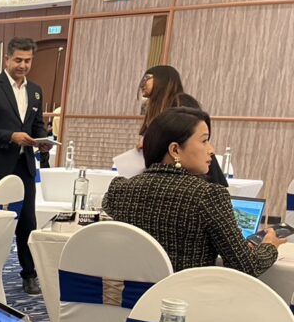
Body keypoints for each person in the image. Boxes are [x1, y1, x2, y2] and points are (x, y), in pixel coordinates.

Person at [103, 107, 281, 276]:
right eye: (204, 141)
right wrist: (270, 246)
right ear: (175, 150)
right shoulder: (207, 195)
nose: (211, 150)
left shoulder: (118, 190)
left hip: (131, 296)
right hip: (185, 296)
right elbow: (246, 267)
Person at [0, 37, 48, 295]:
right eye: (18, 60)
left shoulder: (35, 90)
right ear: (7, 59)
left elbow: (37, 126)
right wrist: (10, 137)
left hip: (23, 165)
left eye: (28, 61)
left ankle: (29, 274)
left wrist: (43, 141)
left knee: (27, 222)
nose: (23, 65)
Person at [133, 65, 228, 187]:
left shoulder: (181, 102)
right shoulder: (152, 107)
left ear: (162, 79)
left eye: (147, 78)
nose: (142, 83)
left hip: (194, 178)